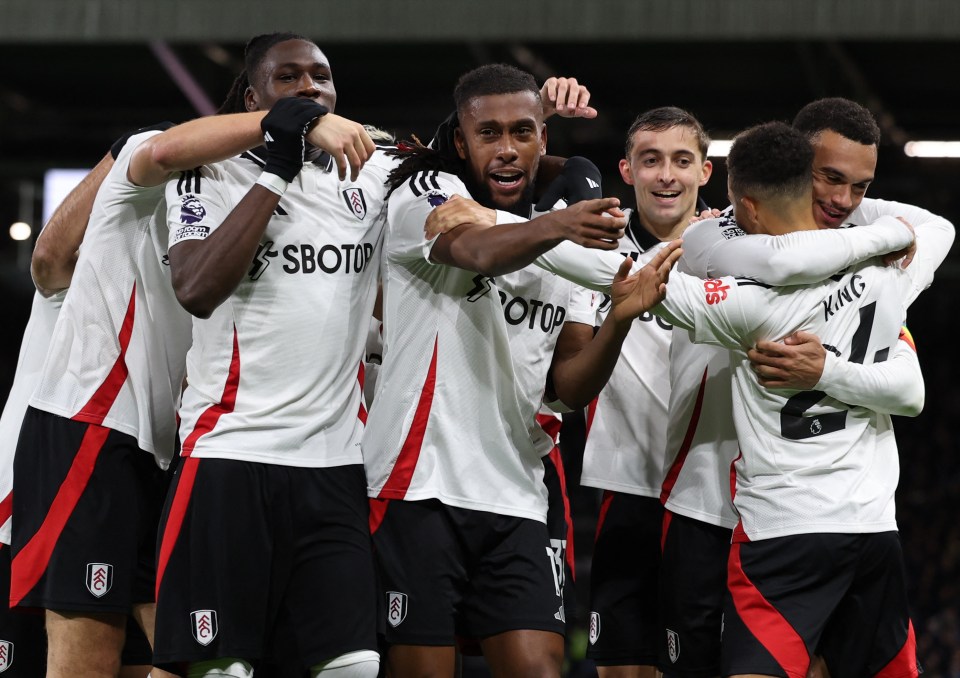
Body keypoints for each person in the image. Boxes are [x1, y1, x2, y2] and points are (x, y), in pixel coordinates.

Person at [362, 62, 680, 678]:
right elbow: (473, 249)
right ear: (461, 141)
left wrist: (619, 320)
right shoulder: (421, 194)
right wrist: (558, 226)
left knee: (541, 669)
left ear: (543, 138)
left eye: (523, 133)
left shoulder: (573, 244)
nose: (507, 150)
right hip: (416, 487)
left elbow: (568, 384)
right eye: (489, 135)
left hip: (517, 493)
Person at [656, 97, 954, 678]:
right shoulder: (716, 238)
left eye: (861, 188)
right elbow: (779, 261)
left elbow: (909, 384)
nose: (844, 201)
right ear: (793, 163)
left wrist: (825, 370)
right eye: (829, 177)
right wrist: (882, 237)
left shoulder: (866, 260)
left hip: (794, 514)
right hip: (705, 499)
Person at [152, 32, 393, 677]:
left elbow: (469, 154)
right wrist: (276, 165)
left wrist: (543, 106)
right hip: (230, 453)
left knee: (352, 667)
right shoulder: (209, 170)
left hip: (336, 462)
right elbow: (197, 290)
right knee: (219, 670)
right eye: (290, 78)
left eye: (322, 76)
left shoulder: (375, 167)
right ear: (255, 97)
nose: (311, 88)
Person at [578, 106, 712, 678]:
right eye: (650, 160)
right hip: (626, 485)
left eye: (682, 161)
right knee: (621, 668)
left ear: (705, 171)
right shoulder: (590, 246)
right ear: (626, 170)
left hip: (713, 495)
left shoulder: (739, 248)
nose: (666, 175)